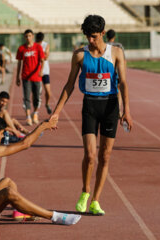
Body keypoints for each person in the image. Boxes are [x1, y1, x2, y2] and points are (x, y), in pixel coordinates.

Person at [50, 15, 133, 215]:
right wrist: (57, 113)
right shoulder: (79, 55)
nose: (90, 40)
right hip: (90, 106)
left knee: (105, 156)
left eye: (94, 36)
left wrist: (126, 111)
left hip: (111, 107)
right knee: (90, 155)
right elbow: (69, 85)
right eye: (87, 36)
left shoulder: (117, 53)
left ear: (103, 33)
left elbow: (122, 83)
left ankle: (96, 200)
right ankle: (85, 191)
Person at [16, 29, 45, 126]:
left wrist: (41, 71)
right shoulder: (21, 48)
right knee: (27, 97)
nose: (28, 38)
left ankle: (35, 113)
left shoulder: (38, 47)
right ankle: (28, 116)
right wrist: (17, 77)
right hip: (25, 77)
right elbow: (19, 63)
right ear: (24, 37)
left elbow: (42, 60)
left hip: (36, 77)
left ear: (32, 36)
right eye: (26, 36)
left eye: (29, 35)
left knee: (37, 97)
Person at [106, 29, 126, 117]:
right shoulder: (119, 45)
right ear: (114, 37)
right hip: (118, 72)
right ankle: (118, 110)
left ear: (106, 37)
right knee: (119, 92)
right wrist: (123, 72)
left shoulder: (105, 45)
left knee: (107, 91)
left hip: (107, 72)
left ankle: (106, 111)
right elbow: (124, 60)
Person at [35, 32, 52, 114]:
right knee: (37, 92)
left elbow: (46, 57)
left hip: (45, 71)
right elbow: (43, 56)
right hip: (35, 71)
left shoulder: (46, 45)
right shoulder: (33, 45)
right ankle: (35, 111)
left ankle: (47, 104)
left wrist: (37, 56)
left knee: (48, 92)